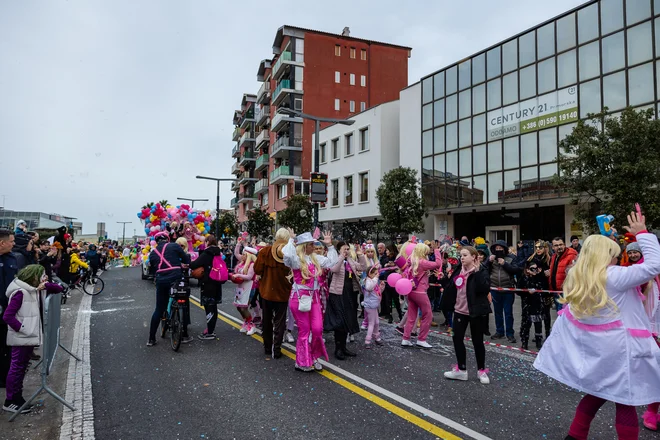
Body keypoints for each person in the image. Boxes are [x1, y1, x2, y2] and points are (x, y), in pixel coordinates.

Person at [534, 211, 660, 440]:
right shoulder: (615, 276)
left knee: (596, 395)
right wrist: (642, 232)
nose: (617, 257)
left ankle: (575, 436)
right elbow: (654, 265)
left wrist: (605, 237)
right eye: (614, 254)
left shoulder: (578, 275)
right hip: (621, 350)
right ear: (606, 256)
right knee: (625, 402)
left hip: (598, 350)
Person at [3, 265, 63, 413]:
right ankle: (10, 400)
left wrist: (47, 285)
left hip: (28, 337)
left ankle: (18, 398)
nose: (45, 277)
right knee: (17, 368)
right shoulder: (21, 292)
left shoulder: (36, 289)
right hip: (22, 337)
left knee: (22, 367)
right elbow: (7, 316)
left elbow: (59, 289)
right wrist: (24, 329)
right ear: (33, 277)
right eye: (43, 275)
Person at [283, 229, 337, 372]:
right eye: (311, 245)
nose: (314, 247)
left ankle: (313, 356)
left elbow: (332, 262)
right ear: (304, 246)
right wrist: (291, 240)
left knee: (318, 329)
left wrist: (330, 246)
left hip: (314, 298)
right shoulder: (296, 259)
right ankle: (302, 361)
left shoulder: (315, 258)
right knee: (304, 330)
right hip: (299, 298)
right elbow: (287, 256)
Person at [442, 246, 491, 384]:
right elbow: (451, 286)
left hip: (476, 312)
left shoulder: (482, 270)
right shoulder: (458, 269)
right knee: (457, 338)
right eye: (461, 255)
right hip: (459, 310)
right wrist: (443, 278)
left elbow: (484, 288)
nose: (462, 257)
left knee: (477, 341)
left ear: (474, 257)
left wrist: (477, 273)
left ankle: (481, 371)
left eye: (465, 255)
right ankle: (461, 370)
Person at [147, 231, 190, 346]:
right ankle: (184, 333)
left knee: (159, 309)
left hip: (161, 280)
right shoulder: (174, 246)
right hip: (176, 277)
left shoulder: (153, 253)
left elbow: (152, 270)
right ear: (168, 239)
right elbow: (187, 260)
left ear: (156, 242)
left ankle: (151, 339)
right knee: (183, 299)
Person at [254, 228, 292, 359]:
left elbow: (257, 269)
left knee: (266, 320)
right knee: (280, 322)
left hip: (267, 291)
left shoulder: (265, 252)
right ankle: (277, 349)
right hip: (282, 292)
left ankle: (267, 347)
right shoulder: (289, 253)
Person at [326, 241, 366, 360]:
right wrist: (341, 257)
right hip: (338, 294)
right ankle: (338, 349)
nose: (347, 251)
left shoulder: (350, 261)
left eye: (348, 249)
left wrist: (360, 255)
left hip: (350, 293)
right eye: (344, 249)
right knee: (339, 321)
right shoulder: (337, 259)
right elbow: (334, 269)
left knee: (347, 320)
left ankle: (343, 347)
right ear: (339, 250)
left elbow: (363, 267)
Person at [401, 242, 443, 349]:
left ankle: (406, 338)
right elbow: (438, 264)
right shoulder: (422, 262)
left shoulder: (411, 261)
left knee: (411, 316)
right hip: (420, 293)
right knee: (427, 315)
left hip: (411, 292)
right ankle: (421, 339)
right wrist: (437, 250)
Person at [190, 235, 224, 340]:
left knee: (208, 307)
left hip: (208, 283)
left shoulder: (206, 253)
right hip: (217, 283)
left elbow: (195, 264)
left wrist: (188, 263)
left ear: (207, 242)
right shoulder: (218, 252)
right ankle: (211, 329)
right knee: (214, 307)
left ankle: (210, 332)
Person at [486, 240, 521, 343]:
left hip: (508, 289)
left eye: (501, 249)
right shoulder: (491, 258)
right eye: (496, 249)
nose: (498, 250)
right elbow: (484, 269)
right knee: (497, 313)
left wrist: (505, 264)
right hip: (495, 289)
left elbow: (516, 270)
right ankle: (499, 331)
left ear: (505, 249)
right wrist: (488, 261)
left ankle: (510, 333)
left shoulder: (511, 258)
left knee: (508, 313)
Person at [0, 229, 19, 389]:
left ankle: (5, 379)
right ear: (2, 243)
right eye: (11, 241)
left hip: (9, 310)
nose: (13, 244)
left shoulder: (12, 258)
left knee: (7, 345)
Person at [517, 261, 546, 350]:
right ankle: (524, 342)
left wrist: (538, 274)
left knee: (538, 325)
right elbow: (518, 291)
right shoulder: (524, 278)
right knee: (526, 325)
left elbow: (544, 287)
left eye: (536, 268)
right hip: (527, 305)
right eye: (532, 268)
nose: (534, 270)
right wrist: (526, 291)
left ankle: (538, 342)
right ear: (527, 269)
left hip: (538, 305)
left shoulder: (539, 277)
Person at [231, 246, 258, 336]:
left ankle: (251, 325)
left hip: (250, 288)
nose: (242, 256)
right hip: (241, 287)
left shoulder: (252, 264)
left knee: (244, 307)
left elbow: (249, 277)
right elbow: (235, 253)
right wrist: (238, 244)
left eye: (244, 254)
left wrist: (238, 275)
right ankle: (246, 322)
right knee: (238, 306)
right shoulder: (242, 263)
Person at [546, 237, 578, 313]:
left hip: (566, 292)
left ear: (564, 245)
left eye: (561, 244)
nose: (559, 247)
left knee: (563, 316)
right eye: (556, 245)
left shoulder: (571, 255)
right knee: (560, 315)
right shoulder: (554, 256)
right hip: (556, 291)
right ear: (553, 247)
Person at [362, 266, 383, 348]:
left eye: (377, 273)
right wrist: (375, 279)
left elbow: (377, 293)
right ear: (369, 274)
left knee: (377, 322)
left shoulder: (373, 281)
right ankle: (367, 340)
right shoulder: (368, 281)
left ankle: (377, 338)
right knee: (372, 323)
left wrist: (381, 287)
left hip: (374, 305)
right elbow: (369, 288)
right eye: (375, 274)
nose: (377, 275)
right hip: (370, 306)